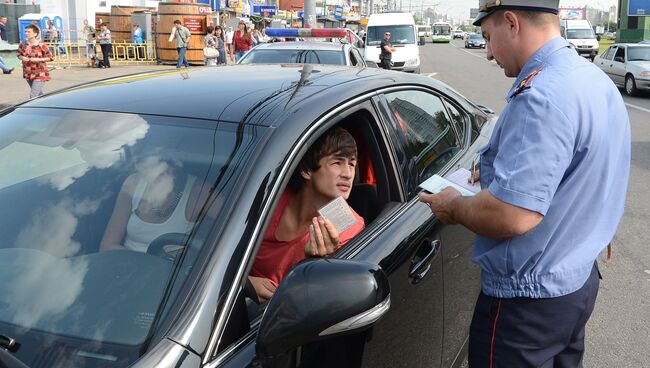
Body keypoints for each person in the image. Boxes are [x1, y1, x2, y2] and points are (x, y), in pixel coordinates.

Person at [418, 1, 631, 367]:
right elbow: (578, 168)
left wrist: (453, 206)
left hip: (527, 304)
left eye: (487, 38)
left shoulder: (541, 95)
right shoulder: (591, 78)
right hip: (576, 284)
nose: (487, 54)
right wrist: (498, 174)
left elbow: (514, 216)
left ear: (512, 23)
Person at [248, 127, 365, 303]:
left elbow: (323, 300)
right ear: (306, 170)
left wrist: (315, 265)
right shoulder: (269, 201)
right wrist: (245, 284)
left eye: (351, 164)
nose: (348, 174)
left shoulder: (349, 228)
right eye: (337, 163)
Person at [100, 157, 208, 253]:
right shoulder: (133, 183)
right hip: (128, 264)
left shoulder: (201, 192)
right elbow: (108, 246)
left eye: (168, 162)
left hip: (174, 273)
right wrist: (146, 266)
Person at [17, 24, 54, 98]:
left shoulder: (41, 45)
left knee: (33, 95)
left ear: (35, 34)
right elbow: (19, 54)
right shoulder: (23, 44)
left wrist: (39, 59)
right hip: (28, 73)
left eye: (28, 32)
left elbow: (51, 57)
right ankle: (47, 105)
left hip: (40, 73)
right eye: (25, 32)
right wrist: (22, 58)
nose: (26, 33)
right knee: (39, 95)